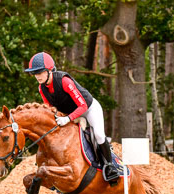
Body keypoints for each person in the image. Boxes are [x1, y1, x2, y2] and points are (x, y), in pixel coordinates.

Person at [24, 52, 120, 182]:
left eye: (40, 72)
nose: (37, 76)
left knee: (98, 134)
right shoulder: (42, 89)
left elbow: (83, 106)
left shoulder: (64, 81)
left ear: (49, 70)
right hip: (70, 114)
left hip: (88, 108)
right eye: (35, 73)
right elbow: (50, 109)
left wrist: (67, 119)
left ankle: (110, 166)